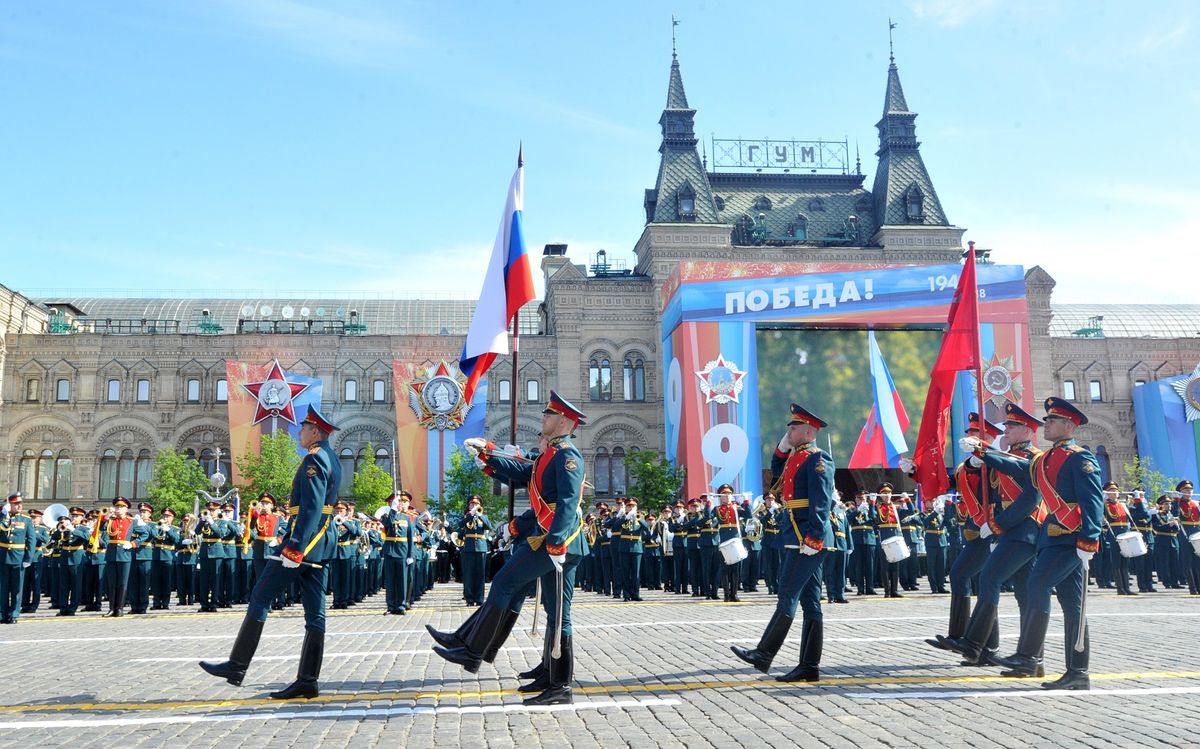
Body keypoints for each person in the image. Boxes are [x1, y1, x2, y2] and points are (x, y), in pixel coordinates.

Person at [432, 391, 588, 706]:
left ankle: (474, 651)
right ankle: (552, 677)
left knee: (506, 582)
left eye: (549, 414)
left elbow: (569, 502)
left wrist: (556, 541)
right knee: (556, 613)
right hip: (553, 540)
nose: (543, 417)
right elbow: (523, 472)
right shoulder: (551, 454)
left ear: (563, 421)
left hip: (557, 542)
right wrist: (488, 456)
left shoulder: (568, 455)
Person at [200, 406, 342, 700]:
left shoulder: (314, 460)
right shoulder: (332, 458)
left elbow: (312, 508)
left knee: (261, 595)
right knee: (315, 614)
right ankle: (307, 680)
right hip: (321, 543)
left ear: (315, 431)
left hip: (304, 542)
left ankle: (237, 666)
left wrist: (296, 548)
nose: (299, 432)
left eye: (303, 427)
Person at [989, 397, 1104, 690]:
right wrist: (983, 453)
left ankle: (1028, 655)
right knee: (1073, 606)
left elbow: (1093, 501)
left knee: (1037, 585)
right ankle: (1078, 672)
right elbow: (1015, 469)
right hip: (1052, 538)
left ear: (1069, 425)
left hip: (1073, 539)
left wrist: (1090, 538)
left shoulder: (1081, 458)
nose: (1046, 424)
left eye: (1052, 421)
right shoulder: (1042, 459)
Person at [731, 403, 834, 682]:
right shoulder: (797, 456)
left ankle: (764, 653)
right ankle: (809, 666)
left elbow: (821, 501)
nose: (790, 429)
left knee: (787, 593)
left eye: (795, 426)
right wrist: (784, 444)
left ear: (810, 431)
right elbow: (777, 470)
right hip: (798, 534)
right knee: (811, 603)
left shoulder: (818, 458)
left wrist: (814, 536)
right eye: (790, 425)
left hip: (808, 537)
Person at [941, 402, 1046, 672]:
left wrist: (998, 524)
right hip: (1012, 531)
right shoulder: (1009, 456)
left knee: (990, 577)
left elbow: (1030, 500)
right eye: (1007, 425)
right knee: (1025, 595)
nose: (1006, 429)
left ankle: (975, 643)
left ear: (1028, 431)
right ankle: (1032, 661)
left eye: (1012, 426)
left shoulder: (1033, 458)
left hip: (1026, 530)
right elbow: (983, 480)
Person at [920, 413, 1001, 652]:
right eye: (968, 433)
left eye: (974, 434)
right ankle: (985, 645)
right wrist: (917, 472)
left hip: (989, 532)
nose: (967, 437)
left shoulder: (993, 462)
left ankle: (962, 637)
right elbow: (945, 484)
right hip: (973, 533)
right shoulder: (964, 466)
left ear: (986, 438)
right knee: (980, 583)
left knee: (963, 576)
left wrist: (981, 459)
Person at [0, 493, 36, 624]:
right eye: (15, 504)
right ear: (10, 505)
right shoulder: (2, 517)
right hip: (3, 557)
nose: (19, 505)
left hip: (19, 558)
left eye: (20, 503)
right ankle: (2, 613)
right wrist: (3, 515)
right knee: (2, 587)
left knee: (17, 588)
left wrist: (29, 558)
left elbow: (31, 540)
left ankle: (14, 613)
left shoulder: (26, 520)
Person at [458, 495, 493, 606]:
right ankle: (469, 599)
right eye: (472, 504)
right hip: (468, 548)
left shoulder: (484, 516)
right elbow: (460, 525)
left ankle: (479, 599)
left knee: (480, 574)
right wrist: (471, 515)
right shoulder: (466, 516)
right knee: (469, 574)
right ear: (469, 505)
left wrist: (480, 515)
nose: (474, 505)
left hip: (481, 548)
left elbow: (489, 527)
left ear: (480, 505)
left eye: (476, 504)